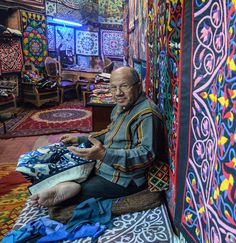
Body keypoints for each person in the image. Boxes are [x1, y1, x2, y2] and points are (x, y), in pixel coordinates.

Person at [30, 67, 165, 207]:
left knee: (73, 195)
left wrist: (104, 154)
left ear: (138, 86)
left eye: (124, 86)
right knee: (54, 168)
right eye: (113, 87)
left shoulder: (147, 114)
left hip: (124, 179)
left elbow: (147, 154)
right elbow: (110, 132)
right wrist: (81, 139)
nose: (118, 93)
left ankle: (71, 190)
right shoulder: (121, 107)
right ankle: (68, 185)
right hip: (104, 166)